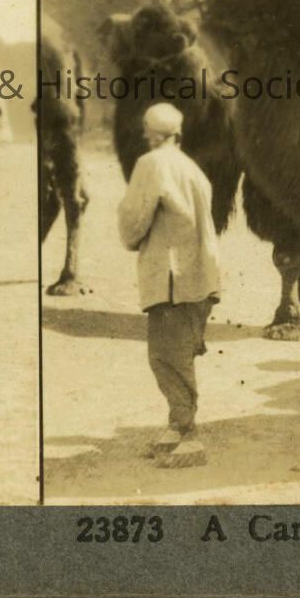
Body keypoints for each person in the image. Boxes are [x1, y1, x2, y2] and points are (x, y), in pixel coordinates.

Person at [117, 102, 221, 469]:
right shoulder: (191, 168)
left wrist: (130, 238)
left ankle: (190, 437)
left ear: (151, 132)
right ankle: (177, 428)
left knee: (165, 357)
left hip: (171, 278)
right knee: (180, 354)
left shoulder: (151, 165)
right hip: (199, 276)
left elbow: (133, 220)